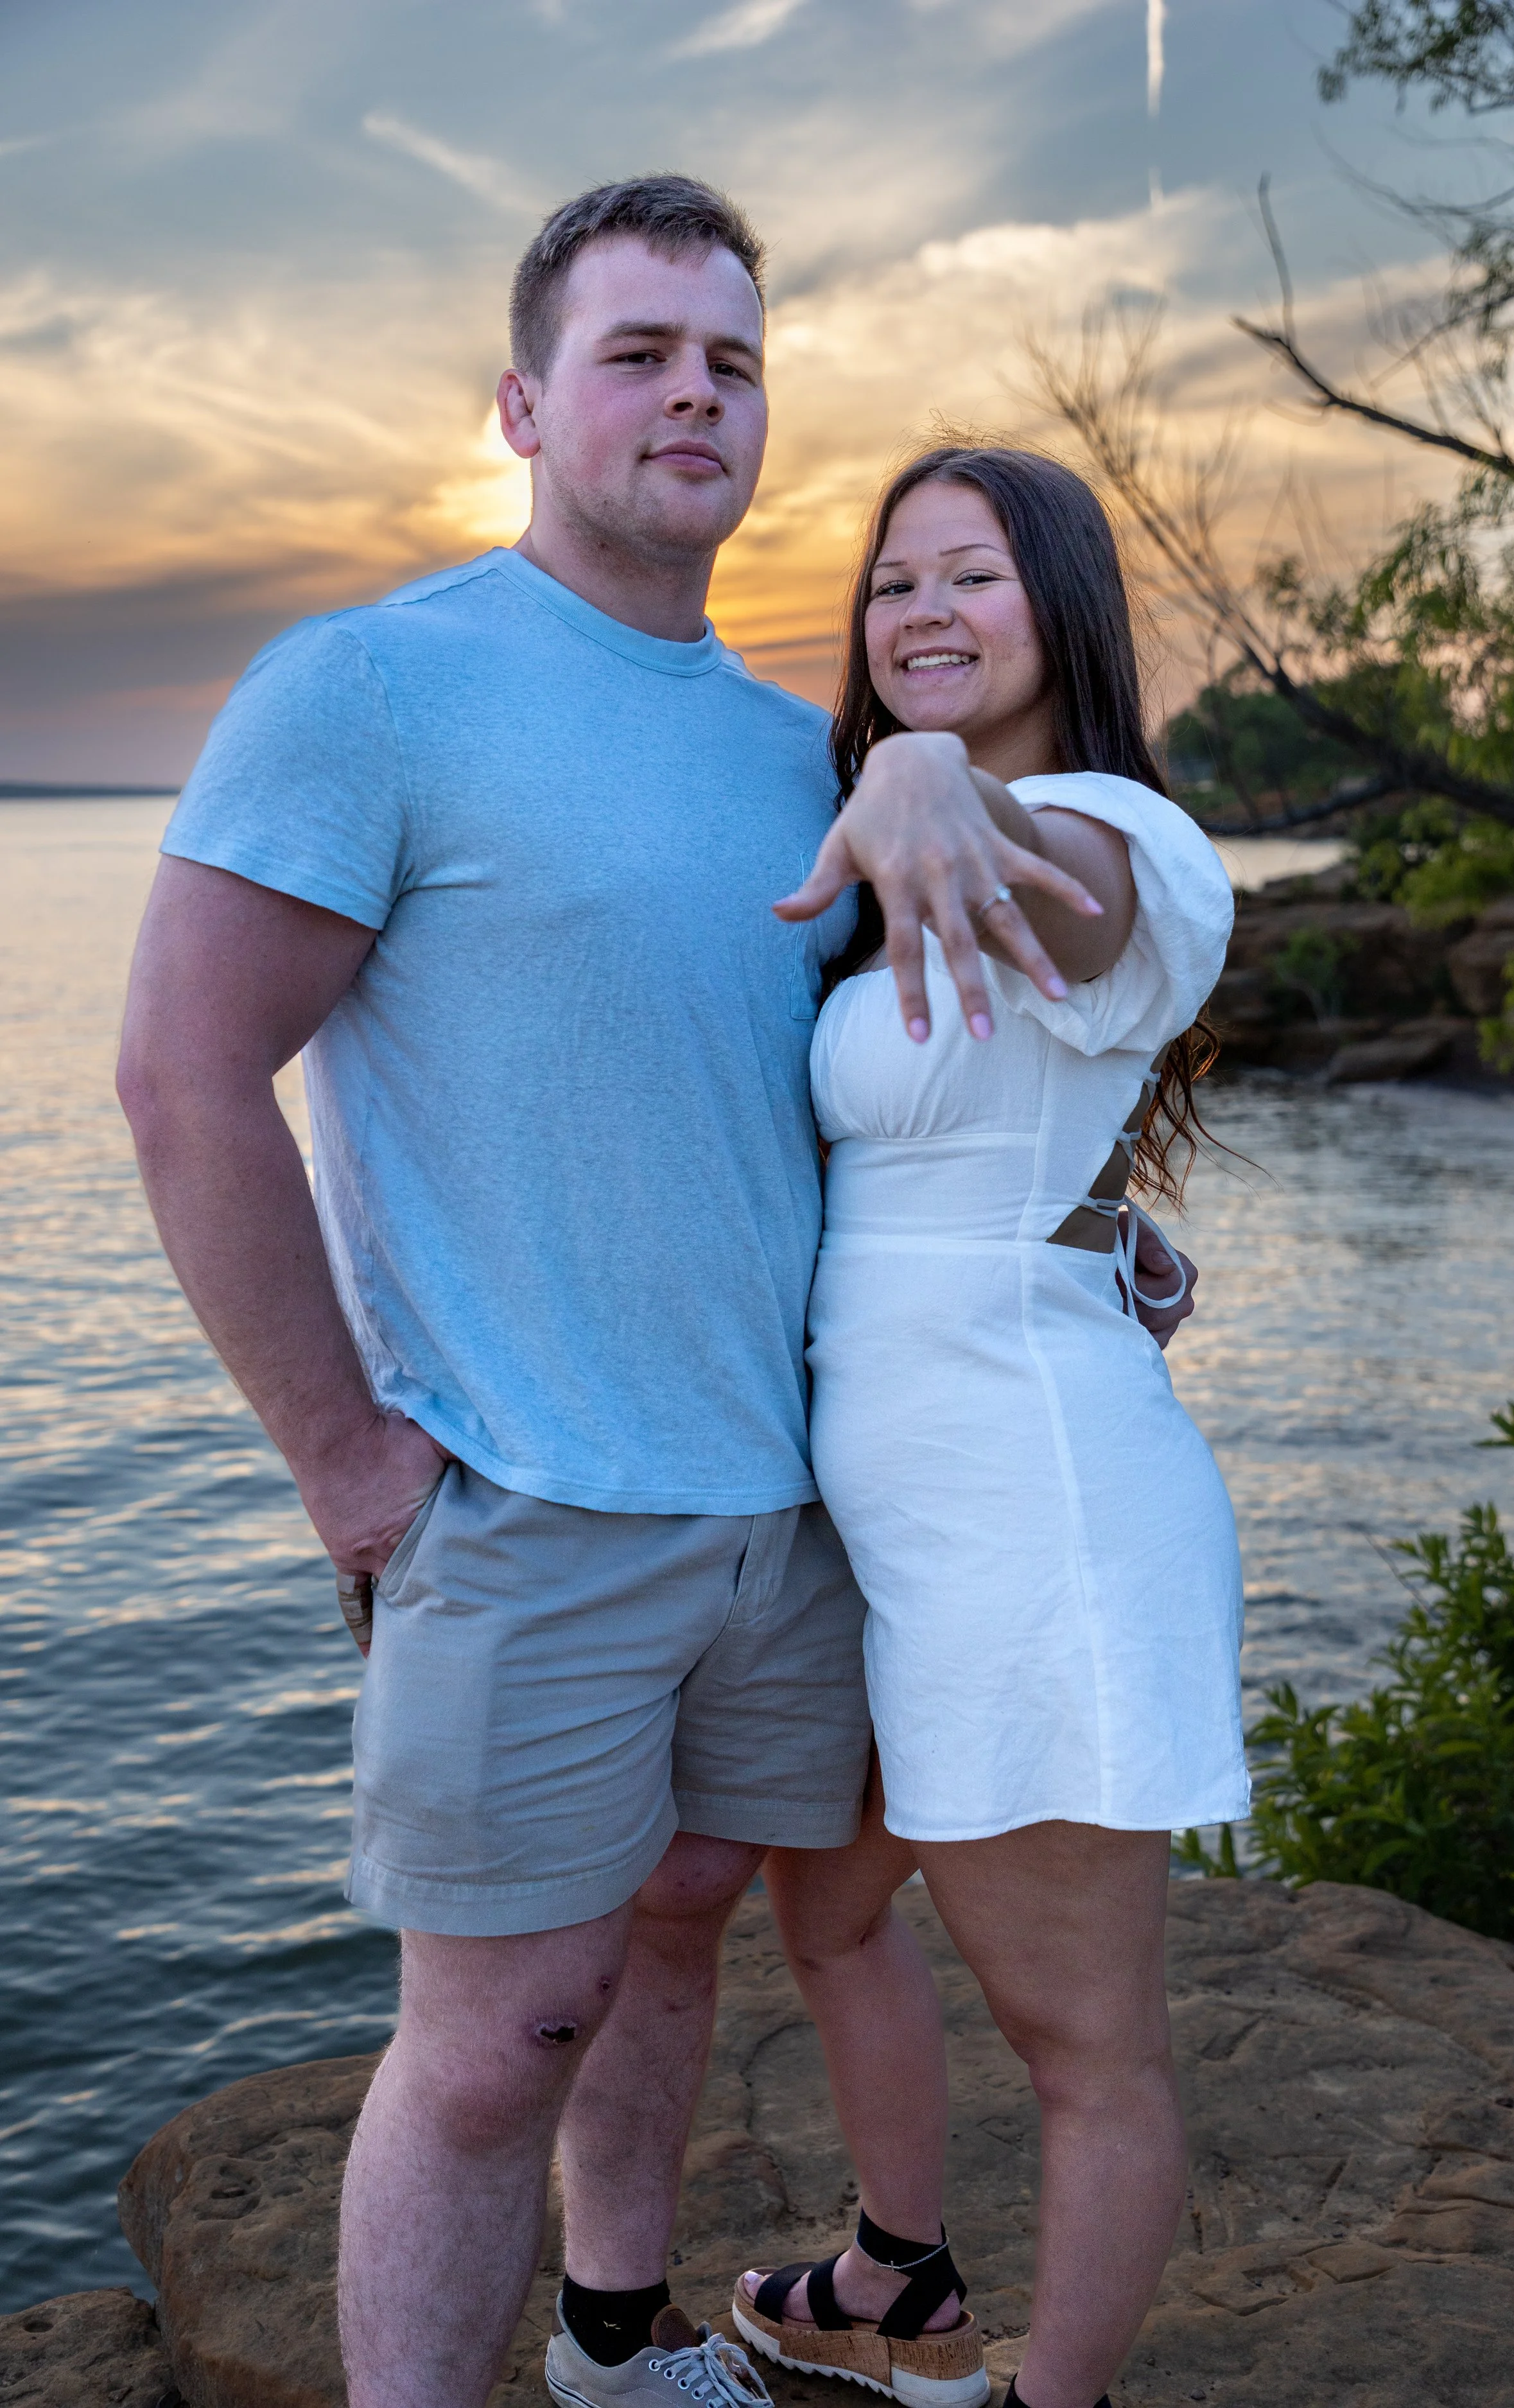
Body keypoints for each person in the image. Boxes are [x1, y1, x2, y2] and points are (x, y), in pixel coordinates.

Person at [115, 179, 1196, 2408]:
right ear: (523, 406)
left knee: (688, 1916)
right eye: (636, 353)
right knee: (495, 2033)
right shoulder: (374, 684)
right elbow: (182, 1074)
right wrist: (346, 1464)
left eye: (731, 360)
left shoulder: (788, 751)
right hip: (526, 1494)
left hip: (788, 1504)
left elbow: (852, 1096)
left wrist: (1089, 1235)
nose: (693, 393)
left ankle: (615, 2339)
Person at [731, 448, 1248, 2408]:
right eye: (891, 581)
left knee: (1082, 2043)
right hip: (900, 1533)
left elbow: (1088, 917)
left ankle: (1050, 2391)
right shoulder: (895, 868)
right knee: (826, 1902)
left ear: (1064, 610)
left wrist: (930, 778)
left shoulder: (1120, 835)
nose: (922, 610)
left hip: (1038, 1528)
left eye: (972, 574)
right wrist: (1102, 1225)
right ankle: (900, 2279)